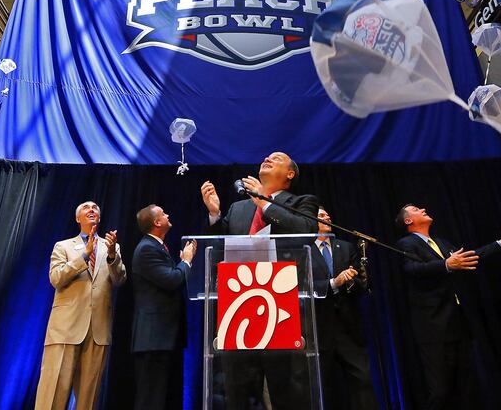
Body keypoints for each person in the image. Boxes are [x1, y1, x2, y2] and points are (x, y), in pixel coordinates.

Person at [200, 151, 320, 409]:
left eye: (277, 158)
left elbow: (306, 232)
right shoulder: (238, 208)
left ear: (290, 174)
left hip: (282, 305)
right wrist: (214, 216)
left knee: (286, 389)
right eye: (266, 157)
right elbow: (220, 250)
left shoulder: (301, 202)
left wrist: (264, 204)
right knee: (239, 390)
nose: (268, 158)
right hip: (239, 306)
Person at [394, 204, 501, 410]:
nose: (423, 209)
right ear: (408, 220)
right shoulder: (406, 243)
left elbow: (471, 256)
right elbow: (412, 269)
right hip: (432, 326)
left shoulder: (442, 243)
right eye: (416, 209)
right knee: (440, 390)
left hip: (457, 322)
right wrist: (446, 265)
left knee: (467, 386)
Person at [35, 201, 126, 410]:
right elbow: (56, 278)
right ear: (78, 219)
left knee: (88, 399)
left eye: (95, 208)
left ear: (100, 218)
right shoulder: (63, 246)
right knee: (54, 394)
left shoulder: (111, 247)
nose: (91, 209)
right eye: (86, 208)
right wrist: (84, 254)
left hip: (98, 330)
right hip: (65, 329)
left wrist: (112, 255)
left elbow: (120, 280)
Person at [130, 204, 197, 410]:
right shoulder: (147, 249)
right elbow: (172, 280)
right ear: (157, 222)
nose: (168, 215)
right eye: (163, 213)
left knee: (166, 396)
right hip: (153, 338)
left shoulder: (157, 247)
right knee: (152, 398)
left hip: (165, 338)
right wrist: (185, 261)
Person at [311, 207, 378, 410]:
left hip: (348, 327)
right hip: (318, 327)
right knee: (321, 385)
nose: (327, 217)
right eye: (321, 216)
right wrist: (334, 282)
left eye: (328, 215)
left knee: (363, 379)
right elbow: (303, 285)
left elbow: (362, 283)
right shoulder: (304, 250)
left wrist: (351, 280)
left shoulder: (346, 247)